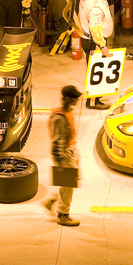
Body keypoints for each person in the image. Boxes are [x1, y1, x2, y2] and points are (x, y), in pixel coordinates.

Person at [42, 84, 82, 227]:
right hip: (64, 154)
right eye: (73, 99)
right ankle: (63, 215)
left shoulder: (67, 111)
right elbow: (56, 142)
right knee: (68, 186)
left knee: (67, 183)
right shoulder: (58, 118)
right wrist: (61, 163)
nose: (76, 101)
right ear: (65, 99)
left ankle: (51, 201)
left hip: (70, 151)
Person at [78, 0, 115, 110]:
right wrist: (103, 46)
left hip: (92, 40)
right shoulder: (95, 8)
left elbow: (105, 2)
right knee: (96, 71)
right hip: (95, 42)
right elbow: (95, 29)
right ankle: (93, 102)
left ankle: (95, 98)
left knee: (94, 69)